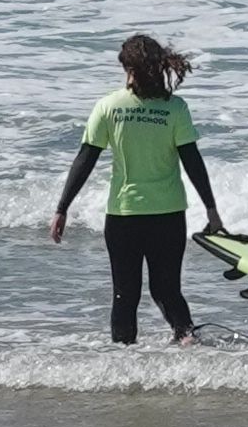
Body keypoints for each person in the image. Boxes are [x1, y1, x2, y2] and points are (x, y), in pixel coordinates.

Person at [49, 31, 233, 343]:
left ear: (131, 70)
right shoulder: (175, 109)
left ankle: (124, 363)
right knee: (167, 290)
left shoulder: (109, 107)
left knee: (125, 295)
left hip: (124, 215)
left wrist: (62, 209)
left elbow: (85, 159)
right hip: (168, 215)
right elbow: (193, 162)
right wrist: (212, 211)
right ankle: (187, 340)